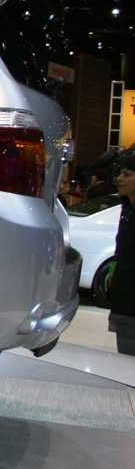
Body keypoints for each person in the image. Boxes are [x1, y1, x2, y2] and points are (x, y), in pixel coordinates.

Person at [107, 150, 135, 355]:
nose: (119, 179)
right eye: (119, 173)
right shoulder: (127, 210)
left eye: (127, 174)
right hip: (124, 297)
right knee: (125, 355)